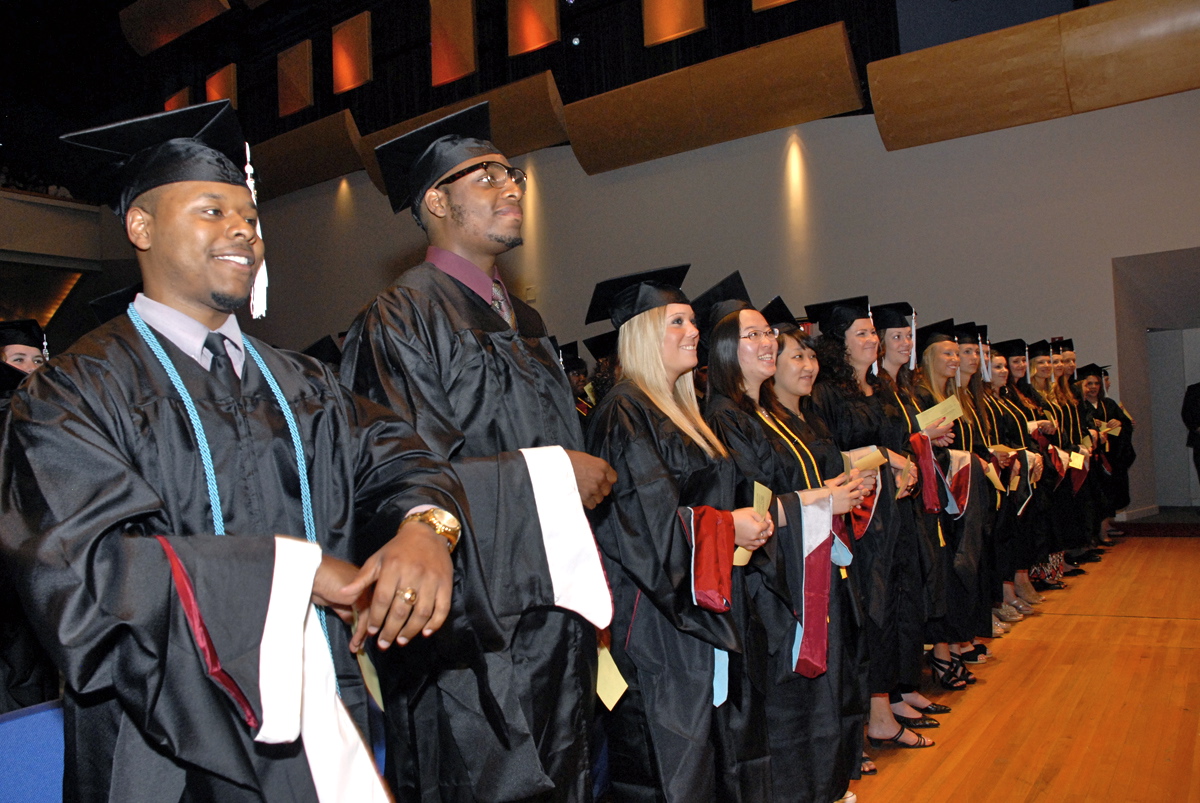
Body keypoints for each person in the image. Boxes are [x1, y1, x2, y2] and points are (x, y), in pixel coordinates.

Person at [1, 100, 470, 802]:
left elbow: (401, 458)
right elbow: (88, 578)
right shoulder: (72, 392)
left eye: (249, 216)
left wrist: (426, 527)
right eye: (212, 211)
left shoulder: (301, 381)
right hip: (163, 753)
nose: (244, 232)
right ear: (140, 225)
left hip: (321, 720)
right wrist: (297, 573)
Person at [340, 102, 615, 802]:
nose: (511, 184)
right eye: (484, 175)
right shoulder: (400, 316)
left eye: (510, 171)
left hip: (551, 610)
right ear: (435, 200)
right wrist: (554, 477)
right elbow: (401, 484)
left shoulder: (524, 320)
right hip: (469, 634)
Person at [583, 267, 774, 801]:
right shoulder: (624, 411)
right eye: (678, 321)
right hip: (655, 622)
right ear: (643, 333)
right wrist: (727, 526)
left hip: (698, 606)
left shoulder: (679, 410)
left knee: (708, 756)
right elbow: (645, 527)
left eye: (693, 320)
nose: (694, 330)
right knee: (671, 767)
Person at [704, 294, 866, 802]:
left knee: (816, 695)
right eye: (751, 335)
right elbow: (751, 503)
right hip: (764, 587)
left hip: (800, 571)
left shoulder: (767, 412)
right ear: (727, 350)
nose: (767, 341)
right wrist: (824, 499)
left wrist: (832, 492)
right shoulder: (725, 417)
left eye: (767, 333)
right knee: (785, 704)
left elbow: (788, 487)